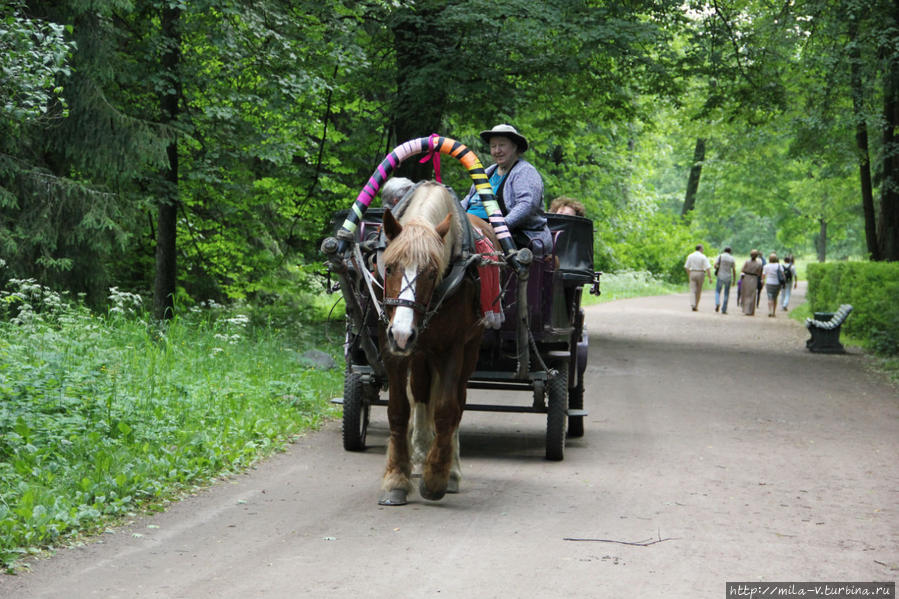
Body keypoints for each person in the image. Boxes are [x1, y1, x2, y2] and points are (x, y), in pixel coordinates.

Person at [461, 124, 552, 255]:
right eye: (493, 146)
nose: (497, 150)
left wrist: (500, 226)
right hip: (471, 227)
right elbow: (468, 199)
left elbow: (527, 205)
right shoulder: (486, 172)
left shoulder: (525, 171)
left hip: (512, 234)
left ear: (515, 147)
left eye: (502, 145)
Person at [684, 244, 712, 311]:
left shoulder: (690, 256)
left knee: (692, 289)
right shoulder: (703, 256)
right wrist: (710, 277)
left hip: (692, 272)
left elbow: (686, 267)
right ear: (700, 249)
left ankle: (692, 304)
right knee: (699, 290)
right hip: (700, 273)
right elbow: (707, 268)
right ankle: (696, 305)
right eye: (703, 249)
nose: (703, 250)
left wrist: (689, 274)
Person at [738, 249, 763, 316]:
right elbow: (759, 273)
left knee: (746, 293)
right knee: (752, 294)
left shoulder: (747, 262)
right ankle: (751, 310)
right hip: (754, 278)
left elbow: (742, 270)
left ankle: (746, 309)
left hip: (746, 277)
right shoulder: (759, 263)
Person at [713, 246, 737, 314]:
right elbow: (734, 270)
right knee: (726, 293)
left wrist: (719, 267)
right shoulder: (732, 258)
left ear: (724, 250)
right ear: (730, 251)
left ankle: (717, 303)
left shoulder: (720, 256)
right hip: (728, 277)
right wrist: (734, 280)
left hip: (720, 276)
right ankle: (724, 309)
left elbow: (715, 265)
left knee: (717, 291)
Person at [761, 252, 785, 317]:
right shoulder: (779, 265)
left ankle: (769, 311)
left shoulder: (766, 266)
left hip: (769, 283)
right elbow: (783, 275)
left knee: (769, 297)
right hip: (777, 283)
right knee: (775, 298)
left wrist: (762, 281)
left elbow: (763, 275)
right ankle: (774, 312)